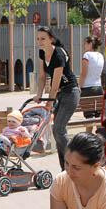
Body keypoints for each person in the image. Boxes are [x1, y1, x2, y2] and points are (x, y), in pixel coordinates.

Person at [34, 26, 79, 170]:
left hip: (70, 92)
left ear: (51, 39)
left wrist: (49, 102)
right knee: (56, 130)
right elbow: (42, 77)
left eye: (43, 39)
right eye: (38, 39)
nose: (40, 42)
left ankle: (74, 162)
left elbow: (55, 83)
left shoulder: (59, 54)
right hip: (60, 93)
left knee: (59, 129)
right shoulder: (42, 53)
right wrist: (39, 94)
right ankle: (64, 168)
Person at [78, 37, 104, 118]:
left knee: (89, 117)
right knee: (98, 117)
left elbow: (83, 74)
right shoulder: (100, 55)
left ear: (90, 44)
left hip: (87, 89)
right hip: (99, 88)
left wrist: (79, 87)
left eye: (85, 43)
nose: (84, 46)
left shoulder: (86, 55)